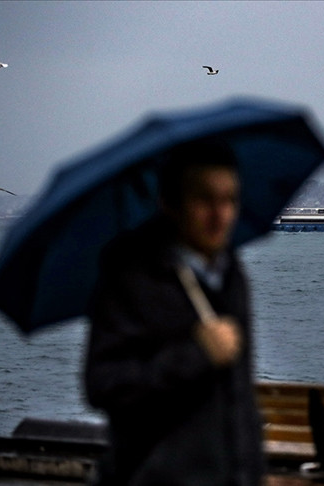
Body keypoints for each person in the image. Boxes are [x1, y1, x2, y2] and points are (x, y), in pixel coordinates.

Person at [84, 140, 264, 485]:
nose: (220, 215)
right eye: (205, 200)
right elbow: (103, 385)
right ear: (171, 204)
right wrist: (195, 354)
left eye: (229, 200)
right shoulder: (131, 278)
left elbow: (238, 404)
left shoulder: (232, 276)